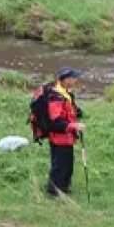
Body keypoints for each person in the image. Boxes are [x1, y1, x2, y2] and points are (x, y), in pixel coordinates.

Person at [45, 67, 86, 197]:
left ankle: (64, 187)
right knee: (59, 165)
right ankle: (53, 192)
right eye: (73, 78)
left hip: (67, 137)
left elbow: (69, 110)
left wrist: (77, 112)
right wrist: (74, 126)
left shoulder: (66, 93)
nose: (76, 80)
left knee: (68, 164)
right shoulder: (56, 96)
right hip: (58, 138)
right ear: (66, 80)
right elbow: (55, 121)